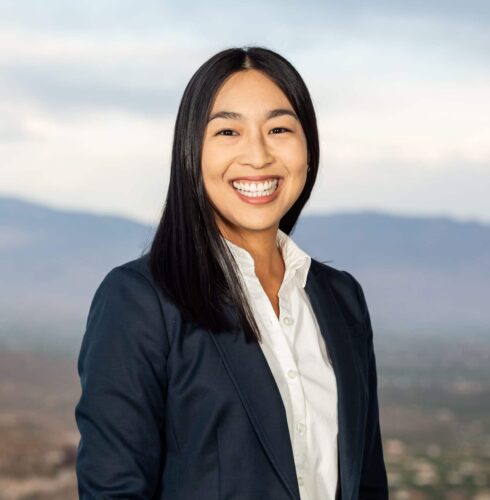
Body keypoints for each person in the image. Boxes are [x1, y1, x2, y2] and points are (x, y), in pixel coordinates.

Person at [74, 45, 388, 500]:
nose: (258, 156)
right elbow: (113, 491)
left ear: (308, 147)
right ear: (191, 151)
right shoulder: (139, 300)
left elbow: (368, 482)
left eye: (279, 128)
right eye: (228, 131)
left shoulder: (342, 299)